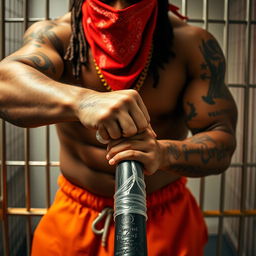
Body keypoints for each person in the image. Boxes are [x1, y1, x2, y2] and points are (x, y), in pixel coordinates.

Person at [0, 0, 237, 255]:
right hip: (76, 213)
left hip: (163, 215)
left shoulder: (191, 44)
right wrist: (83, 101)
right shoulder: (59, 35)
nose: (120, 4)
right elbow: (4, 85)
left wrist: (162, 153)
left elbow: (221, 140)